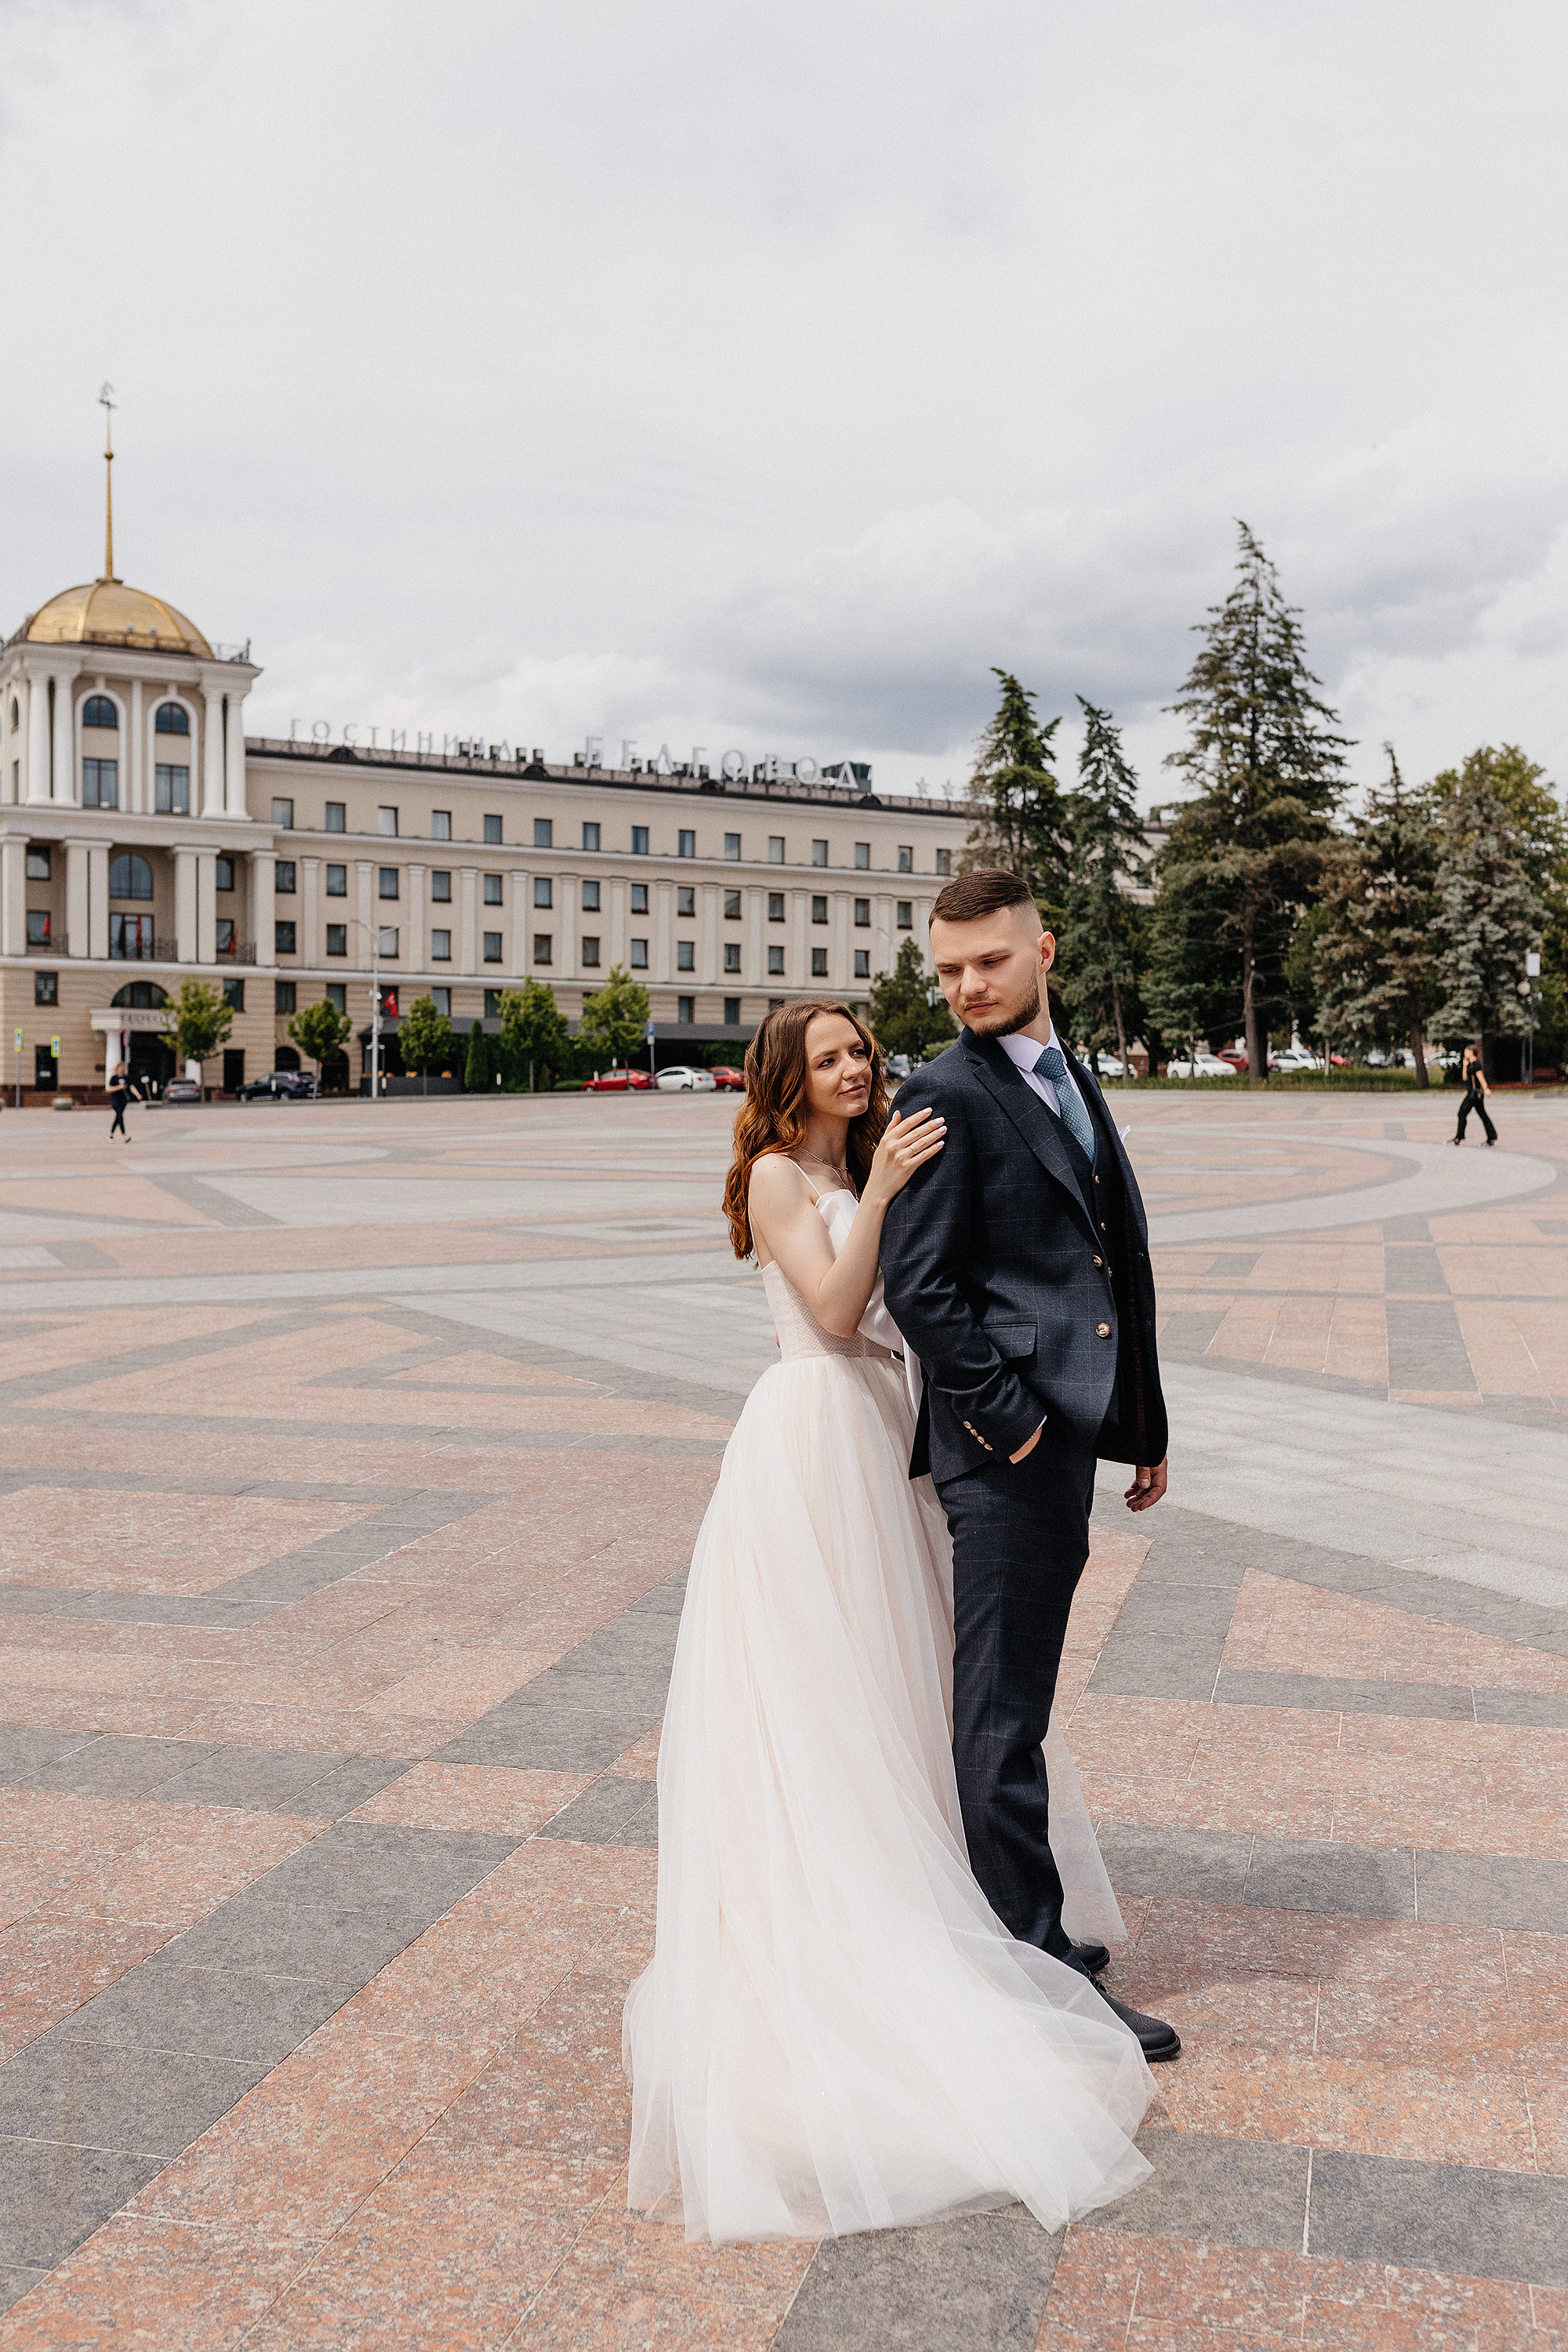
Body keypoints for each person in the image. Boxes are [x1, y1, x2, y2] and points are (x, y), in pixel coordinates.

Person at [624, 998, 1156, 2245]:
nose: (855, 1068)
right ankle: (854, 1919)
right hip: (815, 1433)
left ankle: (968, 1900)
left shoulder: (865, 1160)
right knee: (830, 1686)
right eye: (828, 1058)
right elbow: (830, 1306)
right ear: (786, 1077)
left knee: (915, 1678)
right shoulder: (776, 1175)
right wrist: (884, 1188)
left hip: (889, 1434)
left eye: (860, 1048)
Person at [880, 869, 1180, 2063]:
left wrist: (1141, 1423)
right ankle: (1032, 1965)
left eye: (989, 962)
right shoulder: (943, 1091)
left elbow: (1111, 1256)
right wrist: (1012, 1427)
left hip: (1065, 1434)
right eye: (948, 971)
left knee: (1023, 1700)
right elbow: (921, 1287)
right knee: (1000, 1712)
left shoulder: (1065, 1072)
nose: (967, 987)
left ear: (1042, 951)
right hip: (1004, 1449)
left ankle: (1023, 1924)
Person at [1454, 1041, 1497, 1145]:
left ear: (1472, 1052)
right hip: (1475, 1095)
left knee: (1462, 1113)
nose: (1465, 1053)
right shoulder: (1470, 1064)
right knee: (1483, 1115)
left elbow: (1480, 1077)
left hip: (1474, 1094)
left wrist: (1486, 1088)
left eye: (1466, 1051)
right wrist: (1464, 1066)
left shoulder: (1476, 1064)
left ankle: (1459, 1137)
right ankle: (1491, 1137)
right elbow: (1465, 1078)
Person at [107, 1063, 141, 1142]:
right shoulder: (114, 1078)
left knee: (118, 1117)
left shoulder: (126, 1078)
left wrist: (137, 1094)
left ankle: (111, 1136)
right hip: (115, 1099)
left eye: (124, 1068)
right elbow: (109, 1089)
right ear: (118, 1068)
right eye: (122, 1068)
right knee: (120, 1116)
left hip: (123, 1100)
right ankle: (124, 1136)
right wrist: (119, 1087)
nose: (123, 1070)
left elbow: (131, 1086)